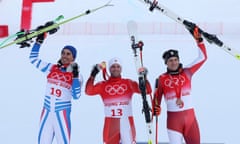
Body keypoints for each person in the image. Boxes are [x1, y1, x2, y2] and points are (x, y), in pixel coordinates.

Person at [152, 25, 207, 144]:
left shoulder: (187, 72)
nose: (174, 62)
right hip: (173, 121)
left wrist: (199, 41)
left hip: (191, 120)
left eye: (175, 59)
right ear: (166, 63)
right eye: (170, 60)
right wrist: (156, 108)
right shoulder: (162, 78)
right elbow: (156, 99)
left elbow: (203, 58)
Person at [29, 26, 83, 144]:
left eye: (68, 54)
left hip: (61, 113)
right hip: (47, 112)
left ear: (73, 57)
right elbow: (33, 59)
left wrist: (74, 76)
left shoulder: (77, 75)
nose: (64, 56)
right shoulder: (51, 68)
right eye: (63, 53)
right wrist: (39, 42)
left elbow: (76, 95)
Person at [85, 57, 152, 144]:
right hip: (111, 123)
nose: (115, 69)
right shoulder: (103, 85)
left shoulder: (128, 83)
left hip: (126, 121)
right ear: (109, 69)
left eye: (118, 66)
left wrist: (144, 78)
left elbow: (147, 91)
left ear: (121, 69)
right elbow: (88, 91)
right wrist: (93, 74)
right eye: (113, 66)